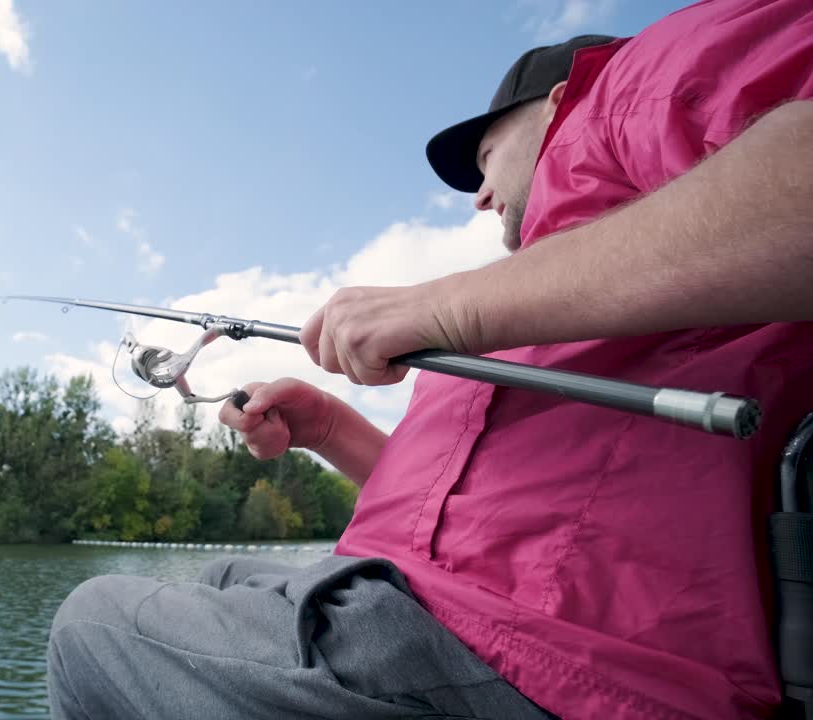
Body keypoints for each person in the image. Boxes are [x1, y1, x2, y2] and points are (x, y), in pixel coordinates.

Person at [46, 0, 813, 717]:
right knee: (217, 579)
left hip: (555, 669)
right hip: (430, 614)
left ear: (554, 104)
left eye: (485, 157)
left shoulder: (634, 80)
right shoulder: (549, 286)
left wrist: (444, 308)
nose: (478, 197)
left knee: (93, 628)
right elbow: (483, 523)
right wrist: (331, 434)